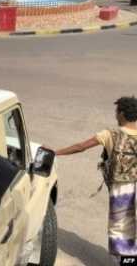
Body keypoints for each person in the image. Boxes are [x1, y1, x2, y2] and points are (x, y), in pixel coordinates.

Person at [50, 96, 137, 264]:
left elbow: (80, 147)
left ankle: (125, 261)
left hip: (122, 190)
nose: (115, 115)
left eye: (116, 112)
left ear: (123, 114)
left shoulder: (110, 135)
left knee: (121, 230)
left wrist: (55, 152)